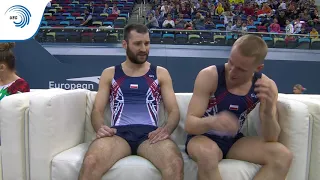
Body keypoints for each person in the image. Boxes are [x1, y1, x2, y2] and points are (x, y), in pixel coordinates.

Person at [78, 24, 183, 180]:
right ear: (125, 44)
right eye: (137, 44)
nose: (143, 48)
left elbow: (174, 111)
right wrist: (100, 128)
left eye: (147, 43)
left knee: (175, 164)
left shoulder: (161, 73)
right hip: (118, 134)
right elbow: (97, 111)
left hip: (150, 136)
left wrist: (167, 129)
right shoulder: (110, 73)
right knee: (91, 162)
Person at [184, 34, 293, 180]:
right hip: (201, 137)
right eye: (231, 63)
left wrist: (268, 111)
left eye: (241, 69)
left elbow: (271, 137)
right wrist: (213, 121)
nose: (232, 72)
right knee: (207, 154)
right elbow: (190, 124)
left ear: (258, 68)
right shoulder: (210, 76)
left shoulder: (265, 86)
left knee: (282, 156)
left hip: (234, 141)